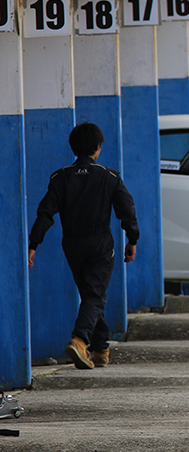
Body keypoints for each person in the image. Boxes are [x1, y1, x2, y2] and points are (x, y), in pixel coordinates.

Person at [26, 122, 139, 370]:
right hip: (100, 244)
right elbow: (127, 211)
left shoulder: (60, 177)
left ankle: (100, 350)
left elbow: (45, 213)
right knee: (95, 296)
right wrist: (132, 239)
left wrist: (33, 244)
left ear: (73, 148)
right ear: (98, 148)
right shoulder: (109, 176)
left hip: (72, 245)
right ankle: (79, 341)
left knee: (91, 295)